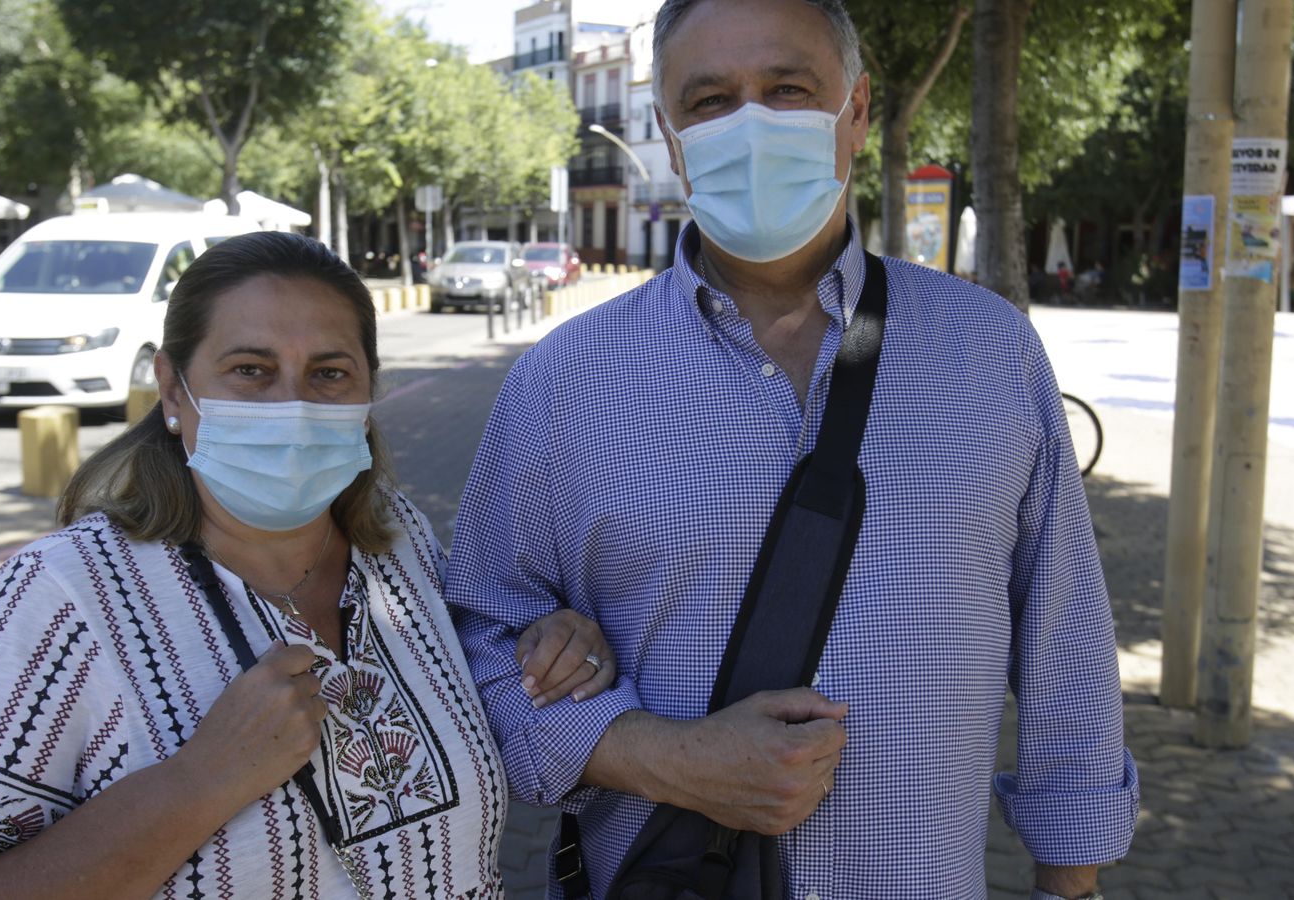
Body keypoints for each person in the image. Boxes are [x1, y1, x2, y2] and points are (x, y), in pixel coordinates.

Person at [444, 2, 1138, 899]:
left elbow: (1064, 640)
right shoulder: (565, 380)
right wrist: (661, 757)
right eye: (710, 100)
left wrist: (1070, 882)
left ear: (856, 111)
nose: (752, 125)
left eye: (787, 89)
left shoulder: (990, 353)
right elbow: (481, 639)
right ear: (669, 133)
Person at [0, 231, 616, 899]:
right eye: (251, 370)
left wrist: (550, 638)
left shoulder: (401, 543)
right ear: (171, 389)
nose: (291, 405)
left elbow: (474, 669)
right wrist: (197, 784)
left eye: (329, 374)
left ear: (367, 393)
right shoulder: (59, 597)